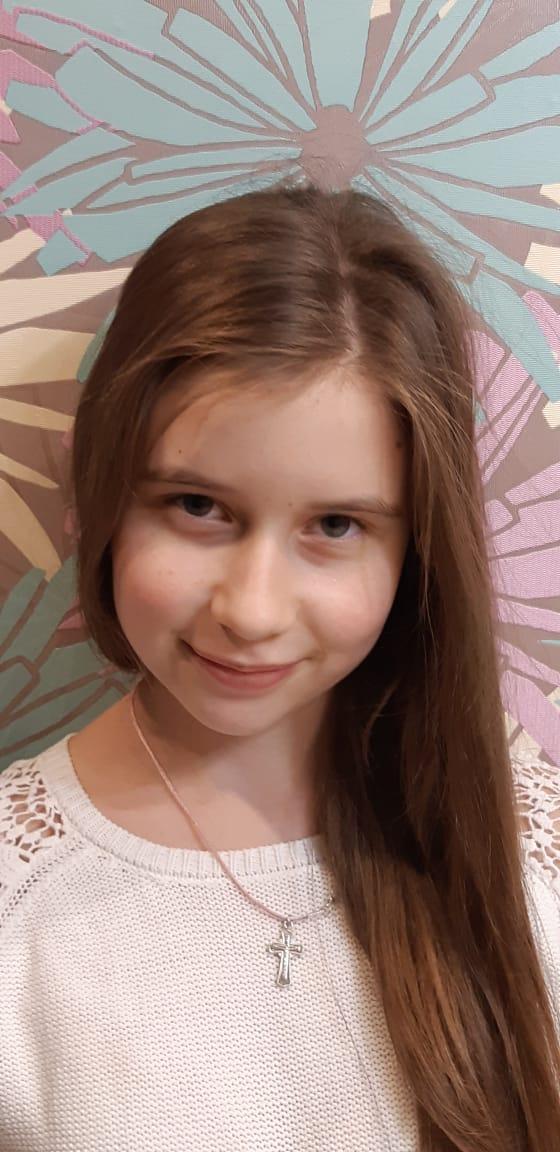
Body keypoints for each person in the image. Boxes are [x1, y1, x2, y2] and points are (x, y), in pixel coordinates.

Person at [0, 182, 559, 1152]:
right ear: (106, 490)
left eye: (334, 525)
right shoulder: (22, 907)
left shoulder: (525, 849)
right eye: (196, 506)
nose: (251, 610)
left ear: (414, 550)